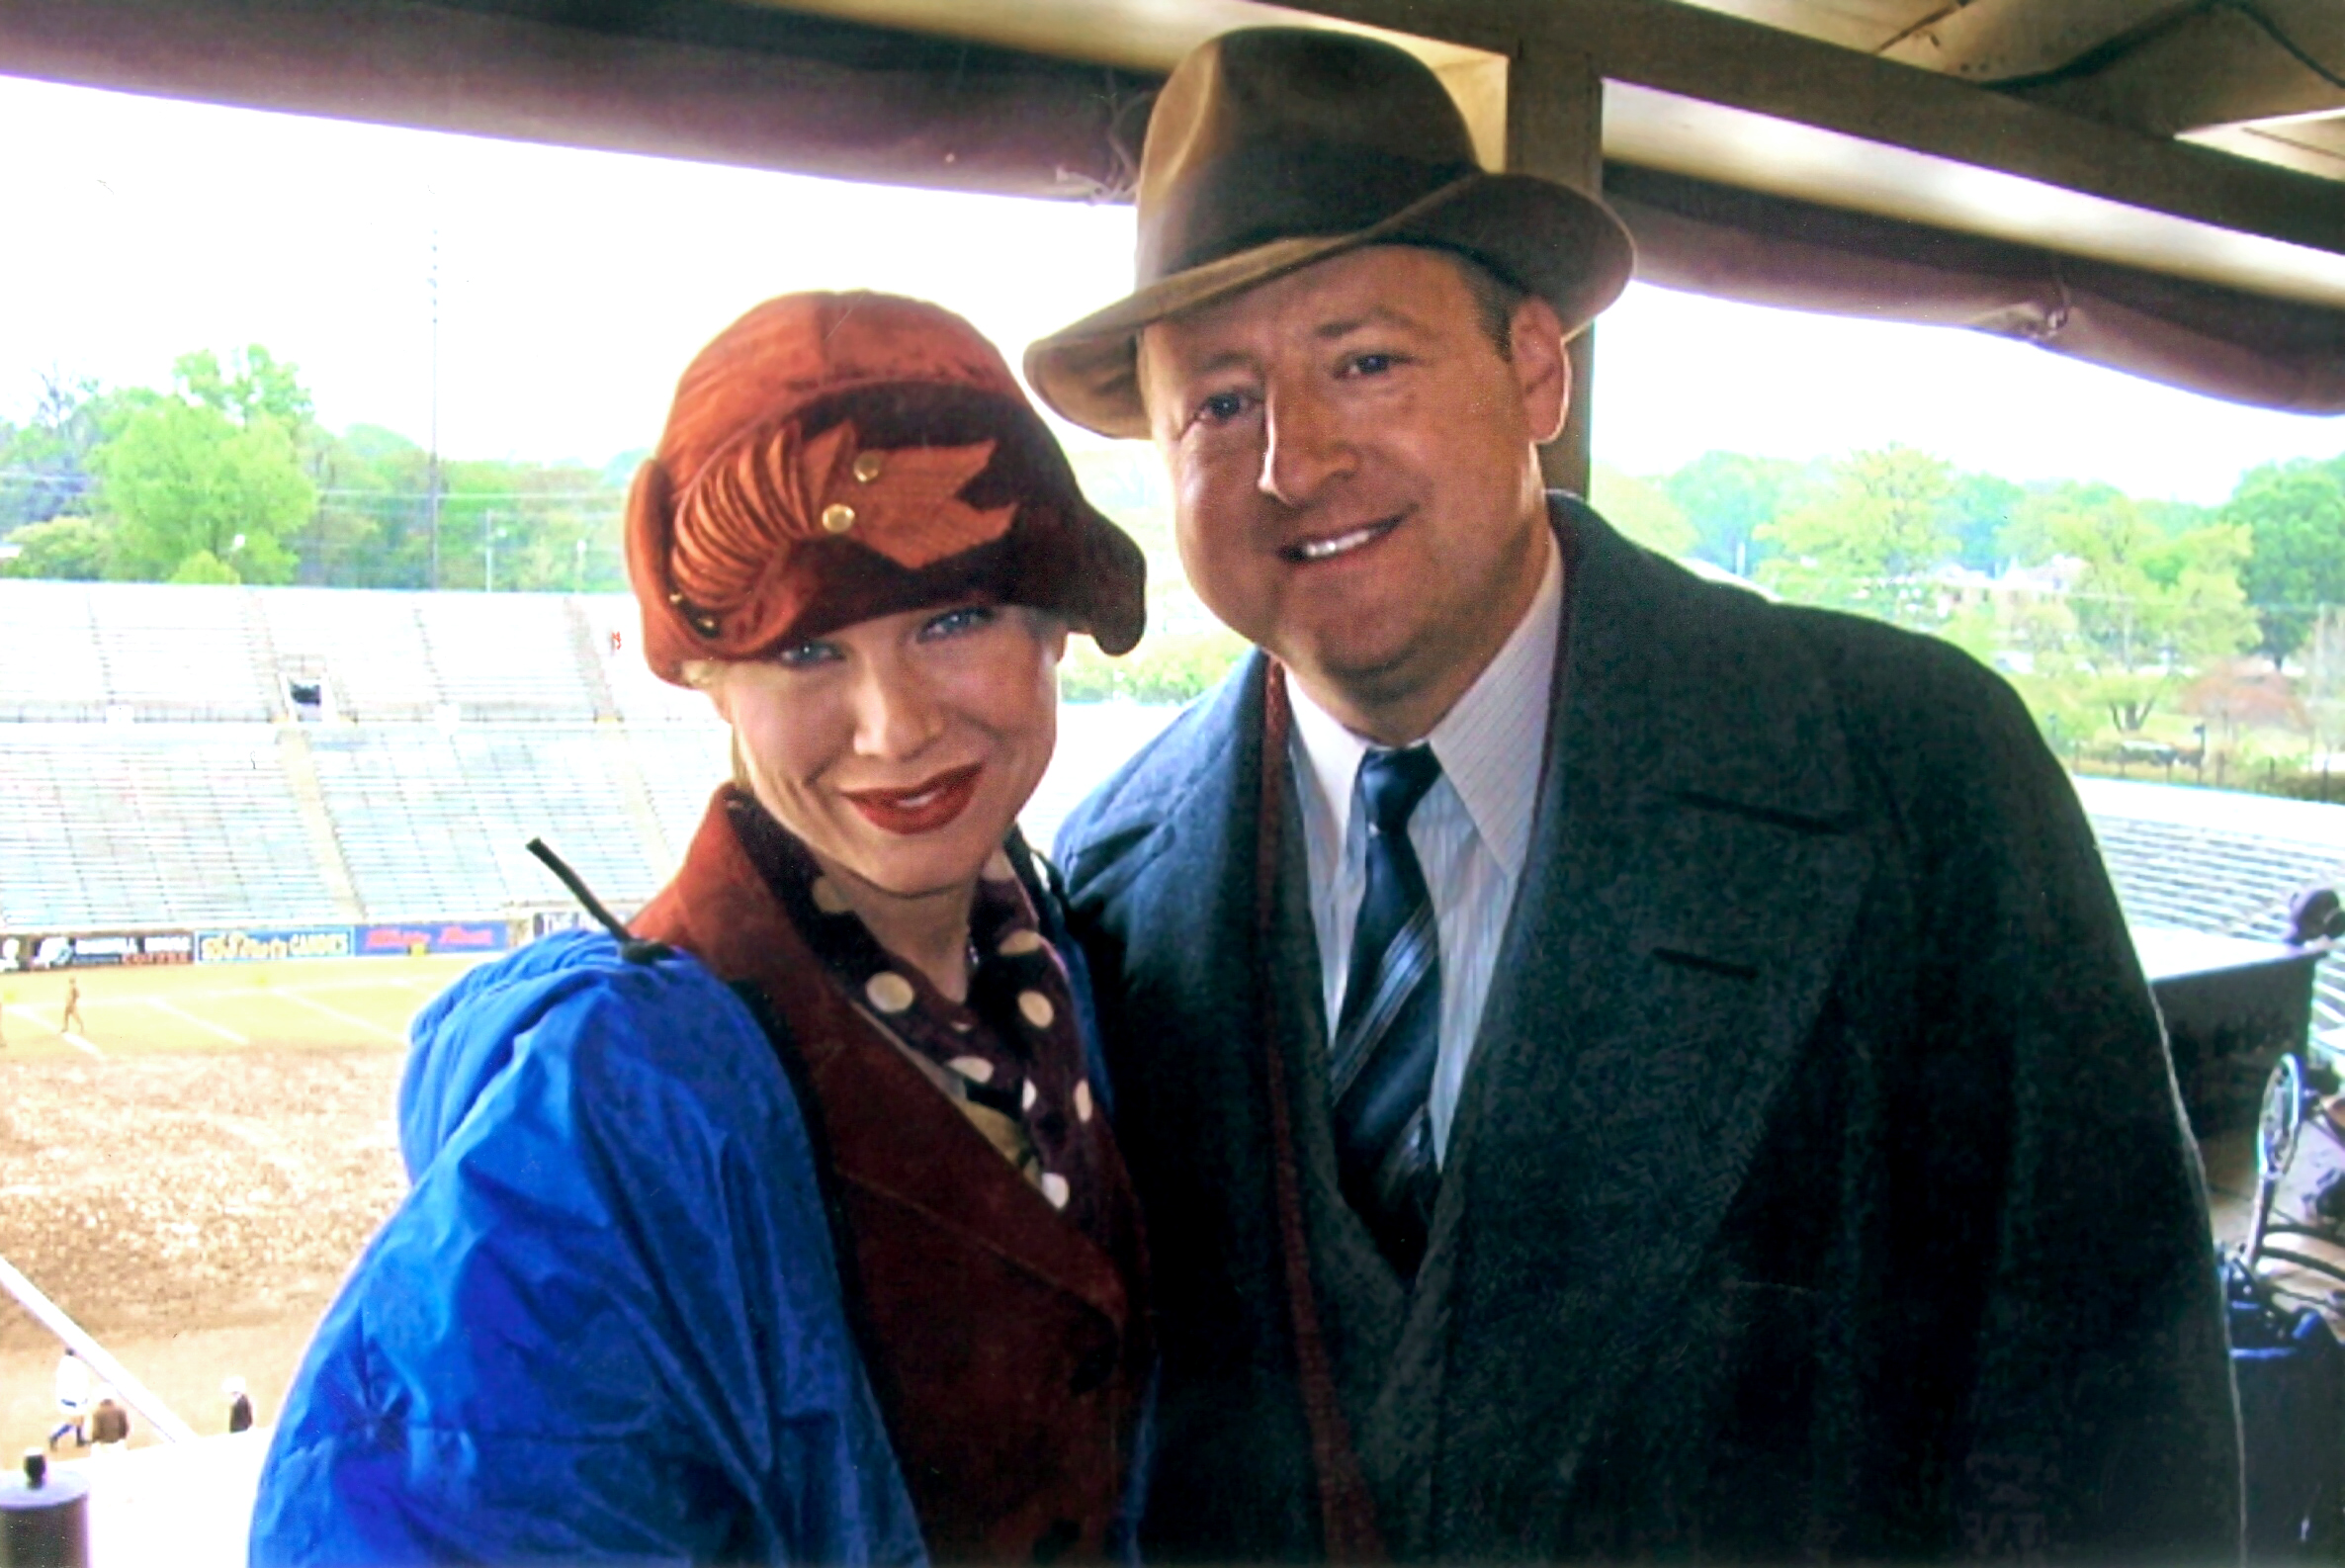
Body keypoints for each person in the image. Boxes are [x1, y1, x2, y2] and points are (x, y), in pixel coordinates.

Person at [1027, 27, 2242, 1564]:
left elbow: (2112, 1437)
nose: (1294, 461)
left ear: (1536, 366)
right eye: (1216, 403)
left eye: (1366, 360)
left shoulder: (1916, 777)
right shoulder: (1116, 878)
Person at [252, 293, 1152, 1565]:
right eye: (806, 654)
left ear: (1053, 627)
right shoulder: (612, 1107)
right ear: (711, 678)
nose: (892, 725)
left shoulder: (1065, 975)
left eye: (952, 622)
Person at [46, 1348, 88, 1451]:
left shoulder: (64, 1364)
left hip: (73, 1397)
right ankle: (54, 1436)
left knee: (81, 1418)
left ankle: (79, 1439)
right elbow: (79, 1381)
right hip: (73, 1398)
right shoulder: (73, 1366)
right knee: (74, 1421)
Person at [87, 1387, 130, 1453]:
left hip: (103, 1445)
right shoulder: (120, 1410)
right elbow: (125, 1427)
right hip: (118, 1443)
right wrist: (122, 1437)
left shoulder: (97, 1413)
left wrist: (93, 1440)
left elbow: (96, 1431)